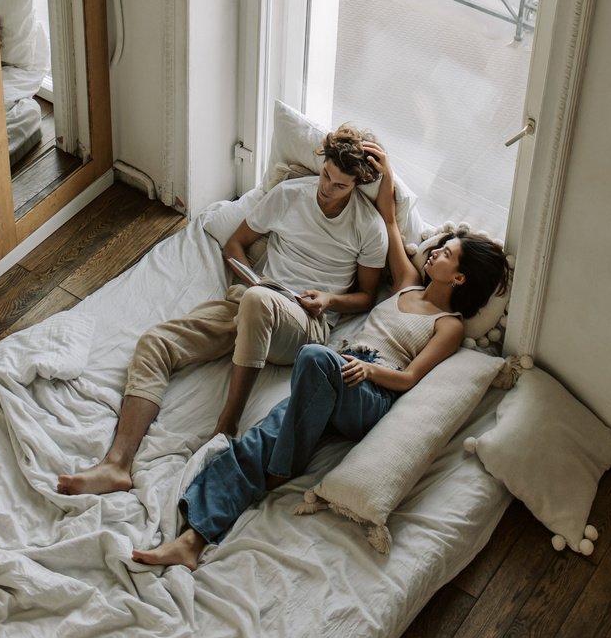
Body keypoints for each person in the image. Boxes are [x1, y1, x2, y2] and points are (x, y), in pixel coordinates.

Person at [131, 146, 509, 570]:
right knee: (256, 440)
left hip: (370, 393)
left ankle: (285, 466)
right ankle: (193, 539)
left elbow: (410, 379)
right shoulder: (406, 283)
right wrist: (386, 170)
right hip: (335, 375)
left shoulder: (449, 324)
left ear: (458, 278)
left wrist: (370, 369)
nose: (435, 250)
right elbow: (388, 221)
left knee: (312, 356)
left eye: (446, 253)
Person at [56, 125, 389, 497]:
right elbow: (235, 244)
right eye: (326, 175)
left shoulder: (368, 227)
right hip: (256, 299)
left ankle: (225, 425)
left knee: (258, 303)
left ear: (357, 184)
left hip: (306, 323)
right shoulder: (290, 195)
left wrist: (328, 301)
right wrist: (253, 281)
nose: (327, 188)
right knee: (155, 343)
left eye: (340, 185)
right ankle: (117, 463)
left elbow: (367, 296)